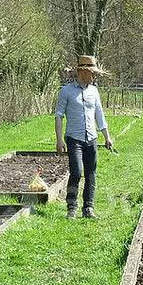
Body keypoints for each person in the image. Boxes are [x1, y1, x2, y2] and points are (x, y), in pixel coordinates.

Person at [55, 55, 114, 219]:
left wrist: (107, 137)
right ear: (83, 71)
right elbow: (59, 116)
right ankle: (71, 208)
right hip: (74, 138)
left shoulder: (94, 91)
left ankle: (88, 207)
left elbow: (99, 115)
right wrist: (59, 140)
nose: (94, 76)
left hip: (91, 138)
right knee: (76, 172)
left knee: (91, 173)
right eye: (93, 73)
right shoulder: (66, 91)